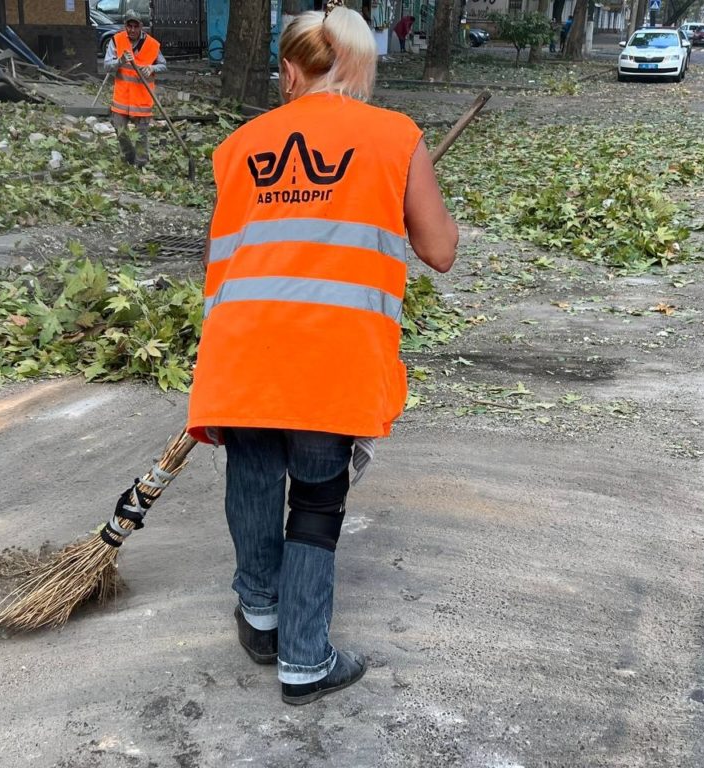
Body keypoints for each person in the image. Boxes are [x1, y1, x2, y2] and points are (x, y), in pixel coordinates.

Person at [187, 0, 458, 706]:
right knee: (314, 497)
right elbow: (441, 250)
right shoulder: (394, 136)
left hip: (241, 349)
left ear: (288, 69)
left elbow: (242, 247)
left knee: (251, 475)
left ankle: (260, 613)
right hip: (330, 357)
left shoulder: (239, 145)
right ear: (361, 64)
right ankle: (305, 659)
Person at [103, 10, 167, 167]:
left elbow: (163, 65)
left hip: (142, 98)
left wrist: (152, 68)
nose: (132, 30)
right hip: (122, 98)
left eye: (135, 26)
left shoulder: (152, 44)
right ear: (125, 26)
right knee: (120, 131)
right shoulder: (116, 41)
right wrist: (120, 60)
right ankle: (129, 157)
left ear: (141, 27)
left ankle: (141, 165)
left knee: (141, 135)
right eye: (129, 26)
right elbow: (107, 66)